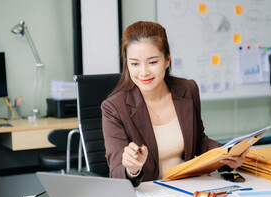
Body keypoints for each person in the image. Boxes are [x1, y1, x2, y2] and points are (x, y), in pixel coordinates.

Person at [101, 21, 249, 186]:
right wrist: (132, 169)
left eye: (152, 62)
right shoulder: (114, 108)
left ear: (167, 60)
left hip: (188, 188)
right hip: (148, 196)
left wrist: (228, 154)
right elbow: (115, 172)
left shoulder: (187, 89)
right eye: (134, 63)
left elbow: (199, 141)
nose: (144, 72)